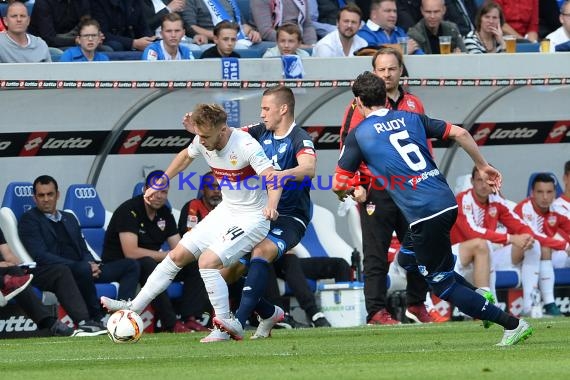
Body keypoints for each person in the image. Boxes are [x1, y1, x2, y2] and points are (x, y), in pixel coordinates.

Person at [334, 71, 533, 346]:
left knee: (442, 285)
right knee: (406, 260)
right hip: (445, 202)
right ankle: (478, 295)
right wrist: (482, 165)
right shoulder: (410, 117)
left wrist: (351, 191)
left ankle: (512, 324)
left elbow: (338, 182)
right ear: (384, 96)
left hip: (424, 213)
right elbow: (460, 133)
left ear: (357, 101)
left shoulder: (360, 133)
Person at [101, 103, 282, 343]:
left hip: (253, 217)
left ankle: (227, 324)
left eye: (206, 136)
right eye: (199, 135)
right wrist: (163, 180)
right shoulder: (202, 139)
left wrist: (272, 205)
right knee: (177, 256)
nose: (202, 141)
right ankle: (134, 306)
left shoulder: (246, 145)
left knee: (207, 262)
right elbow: (185, 156)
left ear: (223, 129)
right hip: (227, 211)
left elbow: (272, 178)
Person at [212, 85, 318, 340]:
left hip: (291, 216)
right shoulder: (259, 133)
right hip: (259, 214)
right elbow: (228, 134)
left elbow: (309, 168)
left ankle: (237, 321)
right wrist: (202, 129)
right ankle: (268, 312)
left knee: (262, 251)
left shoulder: (299, 138)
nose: (262, 114)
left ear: (283, 109)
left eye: (266, 108)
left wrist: (281, 175)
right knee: (224, 273)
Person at [339, 47, 432, 325]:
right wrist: (356, 184)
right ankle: (376, 311)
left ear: (401, 71)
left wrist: (428, 178)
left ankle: (417, 303)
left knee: (419, 247)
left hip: (411, 189)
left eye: (392, 69)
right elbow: (347, 146)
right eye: (381, 69)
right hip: (375, 189)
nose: (387, 74)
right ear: (373, 72)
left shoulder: (414, 103)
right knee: (376, 253)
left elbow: (424, 145)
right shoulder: (359, 105)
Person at [18, 175, 140, 330]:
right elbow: (41, 255)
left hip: (83, 268)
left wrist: (91, 264)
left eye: (50, 194)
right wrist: (81, 265)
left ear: (58, 195)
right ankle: (97, 317)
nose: (46, 199)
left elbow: (83, 248)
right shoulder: (29, 220)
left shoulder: (69, 217)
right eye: (41, 195)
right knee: (81, 269)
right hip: (57, 270)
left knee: (131, 265)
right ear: (34, 198)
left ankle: (120, 315)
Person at [103, 170, 199, 333]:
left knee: (193, 265)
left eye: (164, 192)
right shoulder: (129, 210)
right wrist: (168, 256)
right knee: (149, 264)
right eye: (155, 190)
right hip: (122, 265)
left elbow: (178, 247)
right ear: (145, 189)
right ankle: (171, 323)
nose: (159, 196)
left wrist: (181, 256)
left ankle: (190, 318)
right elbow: (131, 252)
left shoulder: (164, 213)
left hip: (150, 262)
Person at [450, 167, 541, 317]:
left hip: (485, 254)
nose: (484, 185)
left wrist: (527, 236)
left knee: (533, 245)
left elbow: (518, 223)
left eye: (488, 181)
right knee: (481, 244)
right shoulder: (462, 199)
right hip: (457, 255)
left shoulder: (496, 200)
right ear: (472, 181)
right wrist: (511, 238)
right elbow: (471, 232)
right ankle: (484, 306)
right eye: (479, 180)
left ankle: (530, 306)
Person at [1, 228, 107, 336]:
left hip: (11, 270)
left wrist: (17, 264)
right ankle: (51, 324)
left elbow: (8, 255)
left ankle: (84, 322)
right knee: (15, 274)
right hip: (4, 273)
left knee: (60, 271)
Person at [514, 173, 570, 316]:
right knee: (535, 244)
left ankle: (549, 303)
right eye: (540, 192)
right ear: (532, 193)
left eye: (549, 192)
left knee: (542, 248)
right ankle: (531, 305)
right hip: (513, 255)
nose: (545, 197)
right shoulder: (523, 208)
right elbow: (531, 236)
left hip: (537, 256)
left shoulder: (556, 210)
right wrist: (564, 246)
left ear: (554, 193)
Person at [180, 0, 261, 48]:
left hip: (236, 39)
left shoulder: (230, 1)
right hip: (212, 42)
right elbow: (190, 27)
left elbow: (243, 25)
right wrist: (219, 36)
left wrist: (252, 32)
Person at [357, 0, 423, 55]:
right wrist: (401, 51)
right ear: (374, 14)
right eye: (388, 11)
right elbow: (374, 56)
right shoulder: (363, 35)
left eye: (395, 11)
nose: (393, 15)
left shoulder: (399, 32)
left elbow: (420, 55)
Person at [91, 0, 157, 51]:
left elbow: (143, 26)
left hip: (131, 39)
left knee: (157, 44)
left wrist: (151, 39)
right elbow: (103, 34)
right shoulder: (98, 2)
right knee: (116, 46)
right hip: (110, 42)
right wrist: (133, 43)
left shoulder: (134, 1)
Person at [250, 0, 318, 45]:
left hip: (297, 41)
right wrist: (293, 43)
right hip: (275, 42)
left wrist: (312, 46)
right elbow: (266, 32)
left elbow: (307, 25)